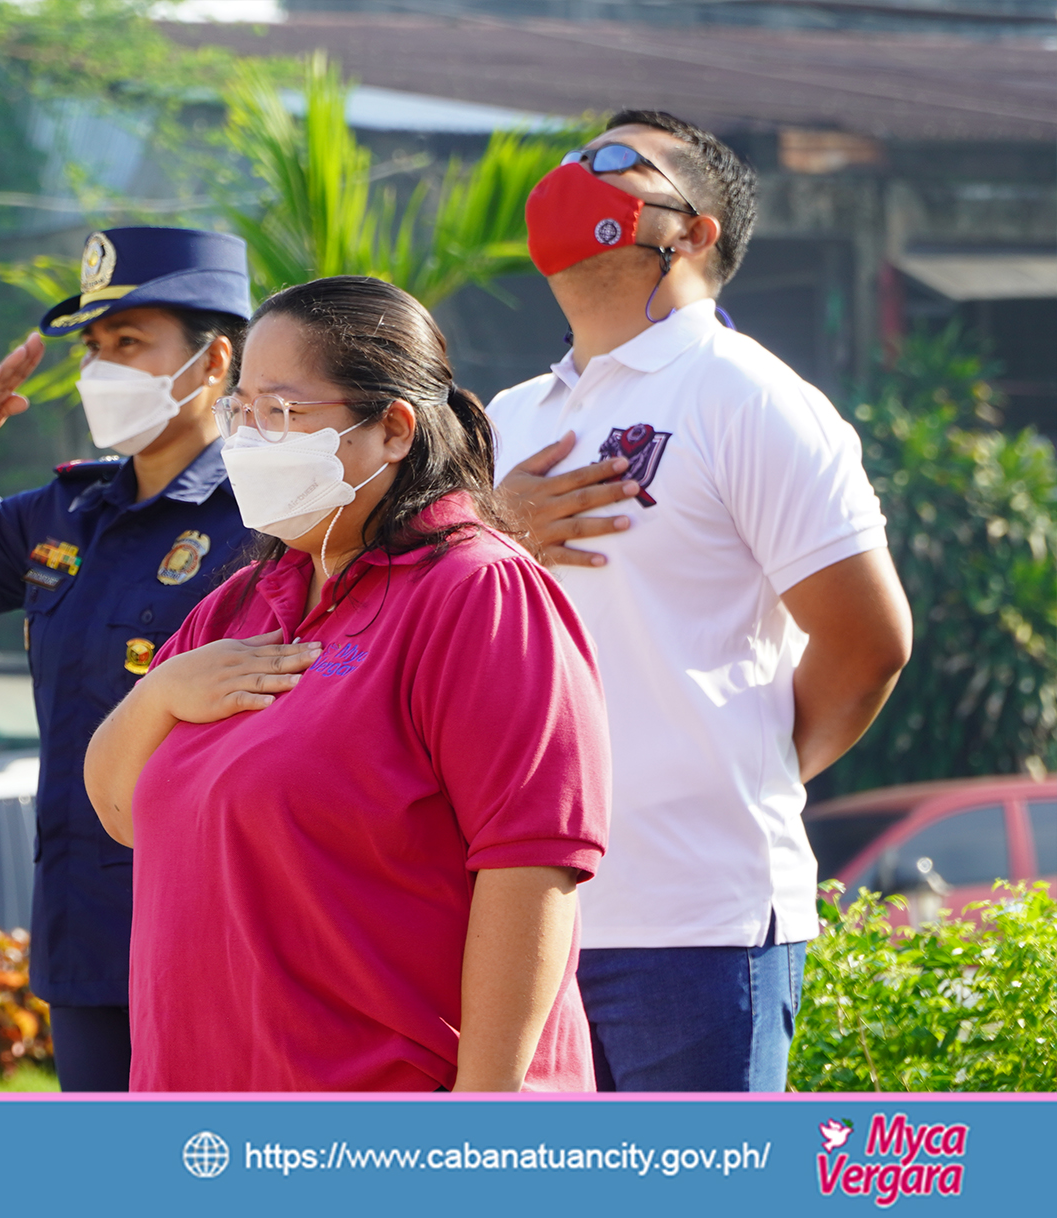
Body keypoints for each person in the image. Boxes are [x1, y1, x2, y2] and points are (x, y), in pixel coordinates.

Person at [83, 276, 611, 1092]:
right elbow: (121, 813)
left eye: (283, 413)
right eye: (242, 410)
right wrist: (158, 693)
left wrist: (483, 1124)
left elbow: (531, 868)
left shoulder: (477, 593)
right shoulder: (244, 600)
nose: (252, 438)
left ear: (393, 429)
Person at [490, 111, 913, 1091]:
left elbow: (866, 641)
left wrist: (747, 761)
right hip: (519, 914)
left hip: (694, 922)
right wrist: (489, 526)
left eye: (611, 163)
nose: (569, 176)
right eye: (568, 157)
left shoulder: (745, 397)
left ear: (688, 229)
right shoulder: (508, 418)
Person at [0, 227, 253, 1091]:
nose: (100, 367)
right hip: (83, 920)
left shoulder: (263, 511)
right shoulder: (66, 512)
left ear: (213, 363)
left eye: (129, 344)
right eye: (96, 347)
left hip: (216, 916)